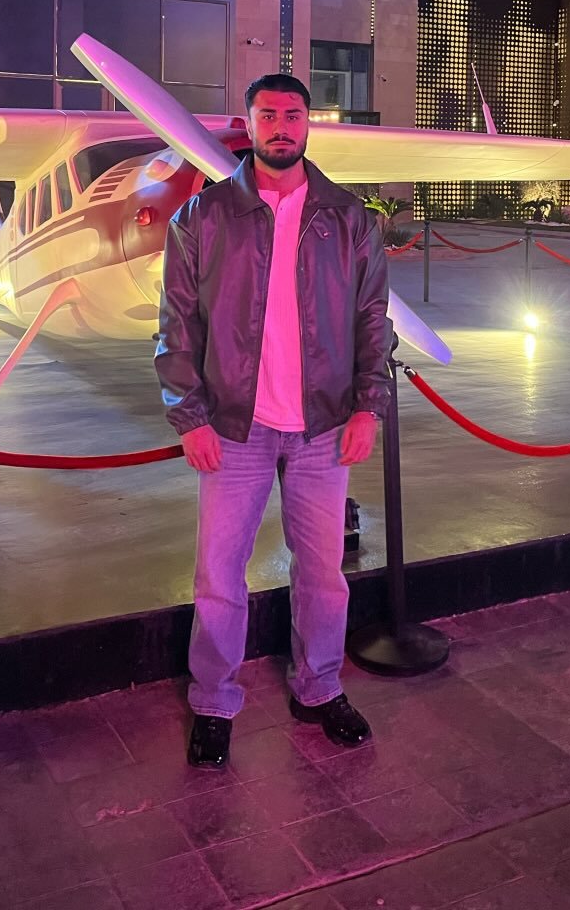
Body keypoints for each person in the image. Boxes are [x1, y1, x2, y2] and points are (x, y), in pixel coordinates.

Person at [155, 74, 393, 767]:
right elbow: (176, 325)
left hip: (323, 427)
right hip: (235, 428)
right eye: (268, 115)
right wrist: (191, 417)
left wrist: (368, 406)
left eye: (293, 115)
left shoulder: (347, 217)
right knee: (218, 576)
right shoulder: (202, 217)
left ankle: (319, 687)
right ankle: (213, 700)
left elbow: (372, 319)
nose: (282, 127)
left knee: (323, 574)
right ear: (250, 123)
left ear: (308, 123)